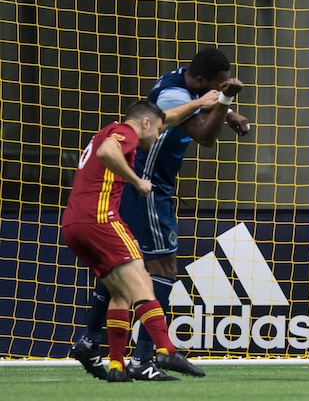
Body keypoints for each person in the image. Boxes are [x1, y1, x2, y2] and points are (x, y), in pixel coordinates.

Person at [70, 47, 249, 381]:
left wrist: (229, 111)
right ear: (200, 81)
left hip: (116, 200)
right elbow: (204, 136)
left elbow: (195, 104)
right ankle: (147, 356)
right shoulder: (170, 96)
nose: (222, 90)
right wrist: (225, 104)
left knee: (119, 272)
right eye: (219, 86)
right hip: (150, 189)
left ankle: (90, 342)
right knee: (160, 267)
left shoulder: (182, 80)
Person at [62, 99, 215, 382]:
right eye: (156, 131)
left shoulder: (108, 130)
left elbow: (163, 118)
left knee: (120, 293)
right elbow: (110, 152)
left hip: (73, 224)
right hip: (100, 220)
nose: (158, 136)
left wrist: (199, 103)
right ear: (145, 123)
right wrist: (136, 180)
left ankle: (117, 367)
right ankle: (166, 349)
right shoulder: (126, 133)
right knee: (144, 284)